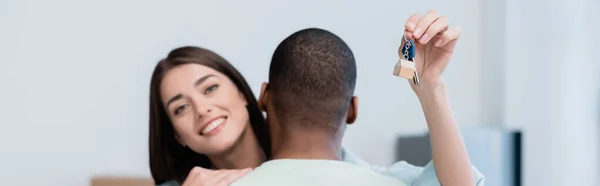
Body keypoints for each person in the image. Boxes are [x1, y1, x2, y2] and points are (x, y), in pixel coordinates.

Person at [149, 11, 484, 186]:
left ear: (252, 93)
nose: (201, 108)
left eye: (209, 88)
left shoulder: (348, 170)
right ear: (175, 133)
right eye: (180, 107)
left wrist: (430, 85)